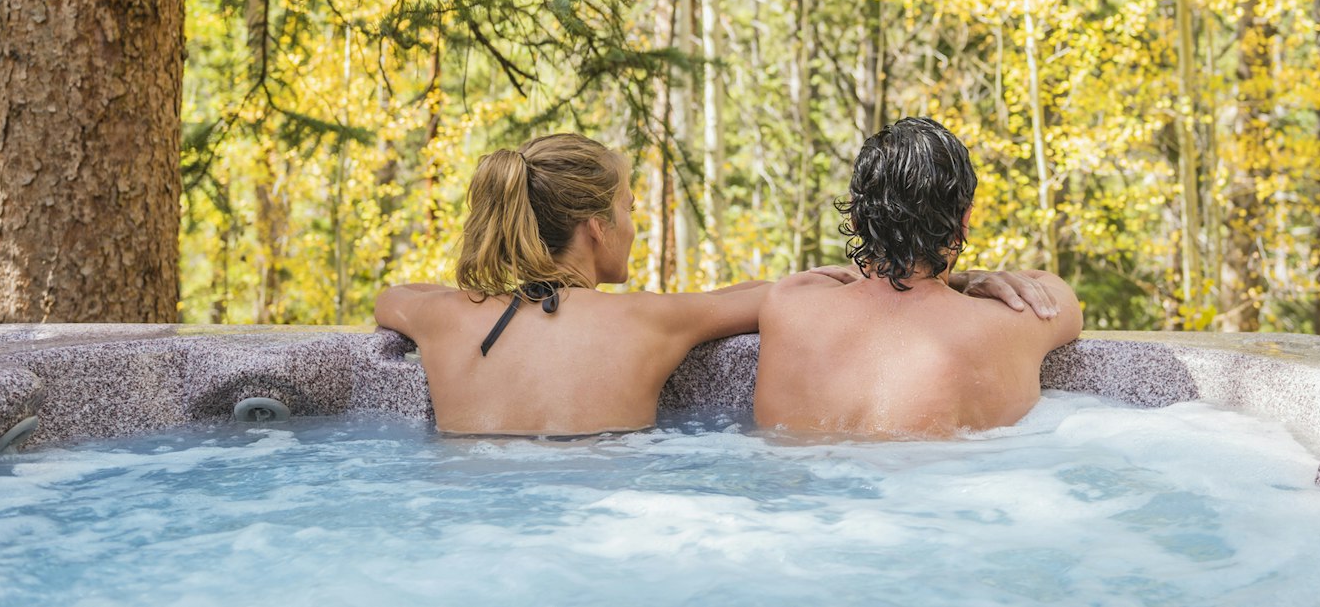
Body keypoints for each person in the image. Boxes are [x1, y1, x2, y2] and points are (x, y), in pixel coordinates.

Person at [375, 131, 1045, 436]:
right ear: (596, 228)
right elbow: (787, 291)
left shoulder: (440, 316)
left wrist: (460, 296)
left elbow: (390, 298)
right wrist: (950, 267)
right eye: (630, 209)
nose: (636, 224)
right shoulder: (649, 320)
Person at [753, 117, 1082, 437]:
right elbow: (1061, 300)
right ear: (964, 221)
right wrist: (966, 279)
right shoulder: (1008, 325)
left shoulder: (790, 303)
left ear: (855, 216)